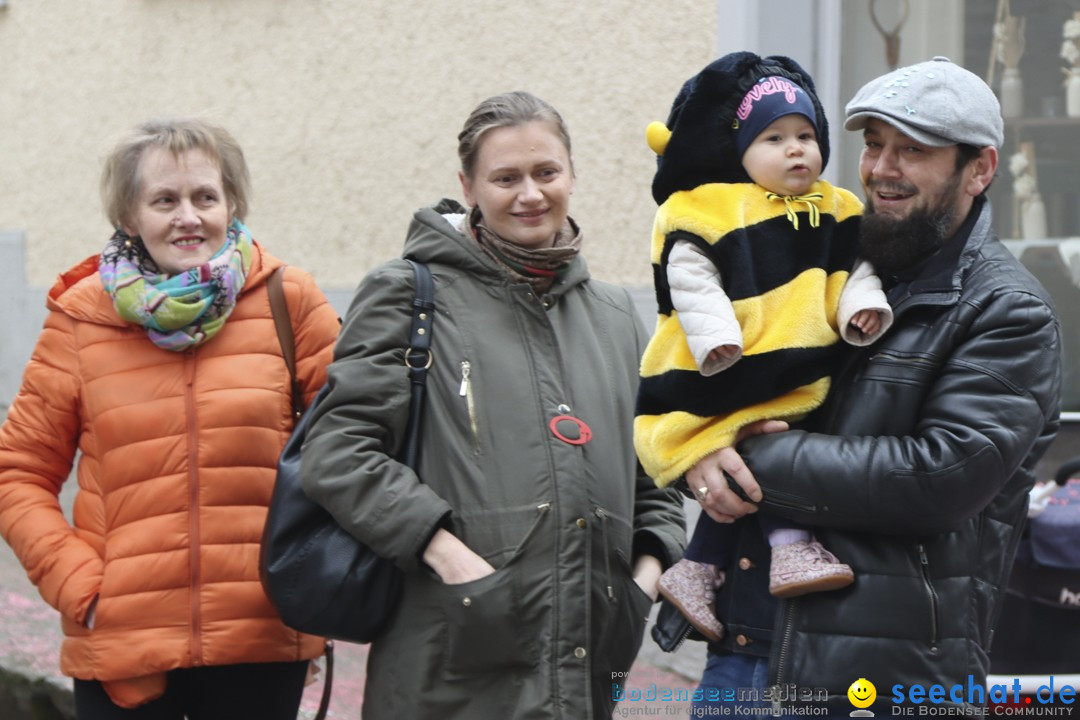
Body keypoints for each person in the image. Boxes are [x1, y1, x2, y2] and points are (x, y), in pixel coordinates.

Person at [686, 57, 1062, 715]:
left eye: (912, 150)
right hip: (740, 655)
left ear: (980, 169)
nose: (882, 168)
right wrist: (692, 440)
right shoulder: (822, 259)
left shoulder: (1005, 310)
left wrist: (743, 453)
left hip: (879, 682)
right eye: (874, 144)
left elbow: (935, 479)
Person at [298, 91, 685, 719]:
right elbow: (337, 452)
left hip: (586, 660)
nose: (530, 194)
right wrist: (452, 560)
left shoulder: (617, 317)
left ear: (571, 175)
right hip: (446, 658)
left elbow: (657, 477)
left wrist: (640, 581)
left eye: (546, 173)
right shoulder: (409, 294)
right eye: (505, 178)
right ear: (468, 186)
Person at [0, 118, 341, 719]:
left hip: (258, 641)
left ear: (230, 204)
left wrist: (309, 586)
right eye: (165, 199)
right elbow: (18, 474)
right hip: (125, 649)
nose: (188, 216)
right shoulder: (80, 321)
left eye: (205, 197)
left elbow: (351, 451)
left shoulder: (291, 302)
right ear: (130, 217)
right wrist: (83, 590)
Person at [634, 52, 893, 643]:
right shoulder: (710, 205)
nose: (795, 148)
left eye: (804, 134)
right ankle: (790, 548)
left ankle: (697, 569)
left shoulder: (839, 207)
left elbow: (855, 270)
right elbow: (689, 274)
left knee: (761, 452)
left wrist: (861, 309)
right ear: (739, 152)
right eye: (773, 137)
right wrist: (717, 337)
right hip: (723, 363)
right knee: (757, 454)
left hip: (792, 368)